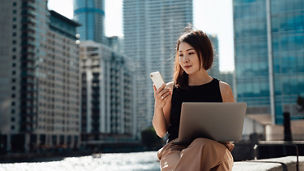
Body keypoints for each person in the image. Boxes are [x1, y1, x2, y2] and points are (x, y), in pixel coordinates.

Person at [152, 29, 235, 171]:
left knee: (201, 144)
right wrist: (158, 106)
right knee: (177, 163)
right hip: (176, 149)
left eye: (190, 53)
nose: (185, 60)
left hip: (213, 149)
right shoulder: (171, 89)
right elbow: (161, 132)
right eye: (181, 55)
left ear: (204, 53)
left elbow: (230, 133)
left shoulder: (223, 89)